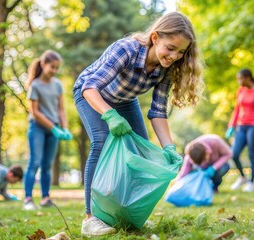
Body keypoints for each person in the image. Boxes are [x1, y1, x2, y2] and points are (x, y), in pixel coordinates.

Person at [73, 12, 203, 236]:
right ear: (155, 37)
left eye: (181, 52)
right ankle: (90, 218)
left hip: (124, 99)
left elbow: (158, 112)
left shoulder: (168, 68)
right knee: (101, 142)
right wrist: (110, 115)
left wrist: (168, 147)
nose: (174, 56)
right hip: (91, 94)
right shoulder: (127, 49)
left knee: (141, 151)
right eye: (170, 47)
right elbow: (90, 88)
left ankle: (127, 216)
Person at [23, 50, 72, 211]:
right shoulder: (35, 85)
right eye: (52, 67)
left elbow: (61, 110)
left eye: (57, 68)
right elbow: (35, 112)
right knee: (34, 162)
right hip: (37, 128)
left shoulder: (57, 85)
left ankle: (45, 198)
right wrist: (53, 127)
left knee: (47, 165)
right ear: (43, 64)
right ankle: (28, 199)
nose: (55, 71)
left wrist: (64, 128)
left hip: (54, 130)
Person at [225, 69, 254, 192]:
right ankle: (242, 177)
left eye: (240, 78)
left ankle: (251, 182)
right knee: (234, 154)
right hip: (241, 126)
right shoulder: (240, 90)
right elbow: (237, 109)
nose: (239, 81)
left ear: (248, 78)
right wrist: (231, 126)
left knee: (252, 153)